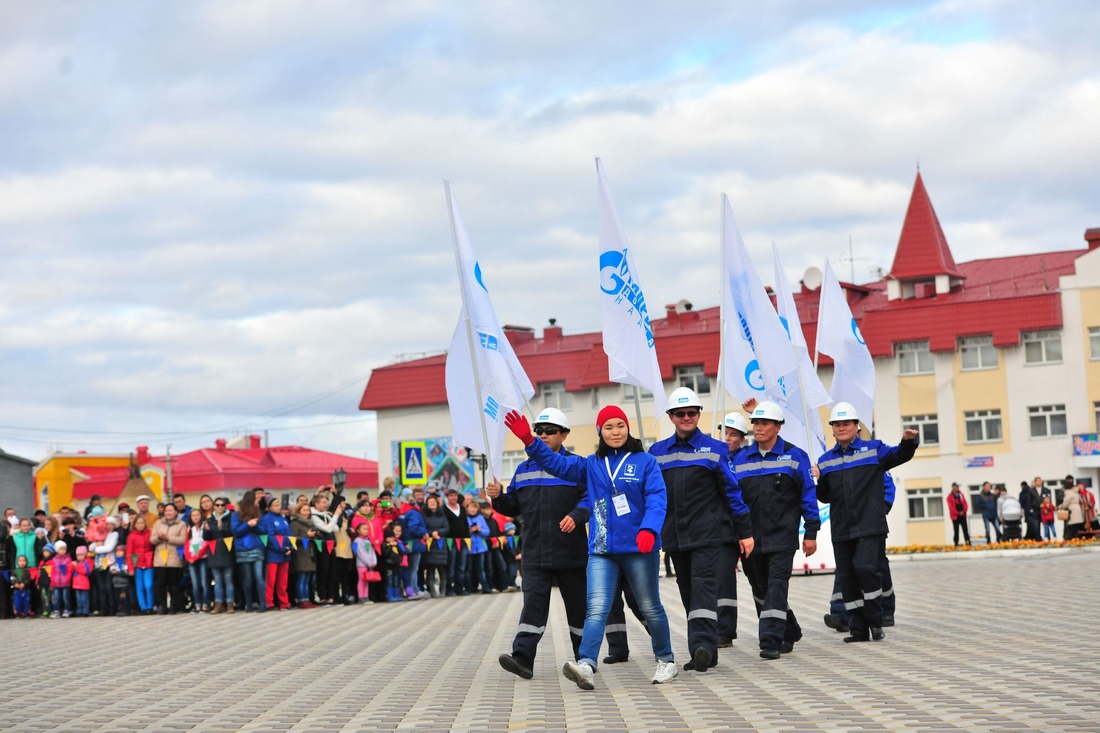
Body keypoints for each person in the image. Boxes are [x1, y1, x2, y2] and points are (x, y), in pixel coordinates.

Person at [505, 405, 678, 690]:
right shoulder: (591, 464)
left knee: (650, 607)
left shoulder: (645, 461)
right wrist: (529, 441)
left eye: (620, 425)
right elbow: (557, 464)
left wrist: (649, 528)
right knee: (596, 608)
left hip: (638, 547)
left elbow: (657, 497)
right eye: (608, 427)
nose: (615, 432)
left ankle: (666, 659)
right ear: (600, 432)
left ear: (627, 428)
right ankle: (586, 664)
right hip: (602, 549)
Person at [648, 387, 754, 672]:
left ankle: (703, 646)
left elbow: (733, 493)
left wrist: (744, 531)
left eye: (691, 413)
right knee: (688, 592)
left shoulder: (716, 449)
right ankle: (703, 649)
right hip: (674, 537)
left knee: (704, 589)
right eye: (680, 413)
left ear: (698, 415)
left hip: (709, 535)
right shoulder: (656, 453)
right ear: (671, 417)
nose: (686, 417)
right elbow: (651, 497)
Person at [488, 406, 590, 681]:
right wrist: (498, 498)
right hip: (533, 553)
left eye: (550, 432)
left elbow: (589, 500)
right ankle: (522, 658)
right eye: (539, 432)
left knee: (578, 608)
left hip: (571, 551)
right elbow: (512, 506)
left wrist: (577, 516)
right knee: (532, 606)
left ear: (564, 435)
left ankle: (585, 659)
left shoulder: (577, 466)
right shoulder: (522, 470)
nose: (543, 435)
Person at [816, 402, 918, 644]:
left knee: (866, 569)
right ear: (832, 429)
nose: (841, 428)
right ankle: (857, 629)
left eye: (846, 424)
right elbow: (825, 496)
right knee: (848, 577)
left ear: (856, 426)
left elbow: (899, 455)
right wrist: (818, 480)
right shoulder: (825, 461)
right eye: (837, 424)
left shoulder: (874, 450)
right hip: (842, 529)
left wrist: (908, 442)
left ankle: (875, 621)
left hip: (870, 526)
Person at [729, 400, 817, 660]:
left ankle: (770, 640)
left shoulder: (795, 455)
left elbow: (808, 496)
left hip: (782, 538)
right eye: (755, 422)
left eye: (764, 423)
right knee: (760, 590)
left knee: (777, 587)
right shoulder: (740, 458)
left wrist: (811, 532)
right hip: (749, 540)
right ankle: (789, 630)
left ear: (778, 427)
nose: (757, 427)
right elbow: (732, 498)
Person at [231, 491, 267, 612]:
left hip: (257, 548)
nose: (258, 503)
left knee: (259, 577)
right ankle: (249, 604)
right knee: (247, 578)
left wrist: (255, 525)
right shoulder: (236, 515)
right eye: (256, 500)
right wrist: (247, 524)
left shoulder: (258, 514)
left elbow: (263, 530)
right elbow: (235, 531)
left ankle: (262, 603)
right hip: (243, 549)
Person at [150, 503, 187, 614]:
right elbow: (151, 540)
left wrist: (168, 538)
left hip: (174, 557)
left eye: (171, 510)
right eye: (166, 511)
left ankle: (174, 606)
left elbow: (183, 540)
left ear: (176, 512)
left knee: (174, 584)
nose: (168, 513)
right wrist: (158, 537)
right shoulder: (158, 523)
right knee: (160, 584)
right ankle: (162, 606)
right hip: (160, 558)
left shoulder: (181, 524)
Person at [260, 497, 293, 610]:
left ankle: (284, 602)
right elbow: (270, 537)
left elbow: (289, 534)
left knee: (283, 581)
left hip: (285, 554)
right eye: (275, 505)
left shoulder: (283, 519)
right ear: (269, 508)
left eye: (279, 505)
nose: (278, 507)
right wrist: (282, 548)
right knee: (271, 580)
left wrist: (291, 547)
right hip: (273, 554)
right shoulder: (267, 519)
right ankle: (269, 602)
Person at [203, 498, 236, 614]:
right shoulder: (210, 520)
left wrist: (222, 527)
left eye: (222, 505)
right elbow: (206, 537)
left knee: (228, 580)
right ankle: (218, 604)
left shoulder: (230, 518)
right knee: (217, 580)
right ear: (214, 506)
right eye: (217, 505)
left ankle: (230, 604)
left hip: (227, 551)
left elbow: (232, 533)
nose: (220, 507)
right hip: (214, 552)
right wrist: (206, 531)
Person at [443, 489, 471, 596]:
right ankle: (450, 588)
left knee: (462, 566)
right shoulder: (444, 509)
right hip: (451, 541)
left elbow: (465, 523)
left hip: (463, 541)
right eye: (451, 496)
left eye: (455, 495)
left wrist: (467, 537)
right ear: (447, 497)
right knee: (451, 566)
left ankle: (460, 587)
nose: (453, 498)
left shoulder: (462, 508)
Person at [421, 494, 450, 598]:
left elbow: (447, 528)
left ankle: (443, 591)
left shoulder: (442, 515)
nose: (432, 504)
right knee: (430, 569)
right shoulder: (423, 515)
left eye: (434, 502)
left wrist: (438, 532)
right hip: (429, 544)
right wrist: (431, 533)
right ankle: (432, 591)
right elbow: (423, 528)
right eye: (430, 502)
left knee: (442, 569)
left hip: (441, 544)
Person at [290, 502, 318, 607]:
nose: (306, 513)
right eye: (304, 510)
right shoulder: (295, 523)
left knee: (307, 579)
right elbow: (293, 539)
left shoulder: (310, 523)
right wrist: (307, 535)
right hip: (300, 553)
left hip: (309, 552)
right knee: (301, 578)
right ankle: (301, 599)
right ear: (298, 511)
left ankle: (307, 599)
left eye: (308, 510)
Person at [125, 515, 155, 614]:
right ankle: (143, 607)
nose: (140, 525)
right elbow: (129, 553)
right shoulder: (131, 536)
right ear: (134, 525)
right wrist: (130, 568)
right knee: (140, 587)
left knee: (149, 585)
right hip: (136, 563)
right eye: (138, 523)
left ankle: (150, 605)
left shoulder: (150, 533)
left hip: (148, 562)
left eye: (142, 523)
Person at [184, 509, 211, 613]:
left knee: (204, 582)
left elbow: (206, 544)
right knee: (195, 583)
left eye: (197, 515)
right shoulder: (190, 529)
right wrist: (188, 557)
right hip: (191, 559)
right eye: (193, 515)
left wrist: (197, 556)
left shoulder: (205, 527)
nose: (195, 517)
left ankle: (205, 604)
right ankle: (197, 604)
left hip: (203, 557)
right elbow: (187, 544)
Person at [353, 522, 379, 603]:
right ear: (358, 530)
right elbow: (360, 553)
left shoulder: (368, 540)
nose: (366, 531)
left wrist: (374, 561)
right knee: (362, 580)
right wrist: (368, 563)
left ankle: (366, 596)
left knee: (367, 581)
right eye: (364, 529)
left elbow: (372, 551)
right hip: (361, 564)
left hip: (369, 564)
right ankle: (361, 597)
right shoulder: (357, 540)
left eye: (367, 529)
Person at [48, 540, 74, 618]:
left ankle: (66, 610)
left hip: (65, 582)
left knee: (65, 597)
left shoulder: (68, 559)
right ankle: (57, 611)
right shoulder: (54, 560)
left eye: (64, 549)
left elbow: (70, 570)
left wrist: (67, 578)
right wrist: (52, 580)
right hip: (56, 582)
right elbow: (52, 571)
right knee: (56, 598)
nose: (63, 551)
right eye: (61, 549)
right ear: (57, 550)